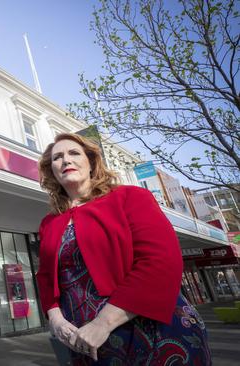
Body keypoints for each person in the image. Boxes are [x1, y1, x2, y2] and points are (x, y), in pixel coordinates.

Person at [36, 133, 211, 365]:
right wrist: (56, 320)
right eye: (57, 157)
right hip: (86, 344)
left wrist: (103, 323)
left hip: (153, 333)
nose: (66, 160)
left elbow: (159, 261)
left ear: (91, 162)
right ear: (52, 171)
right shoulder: (50, 222)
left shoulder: (130, 197)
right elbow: (46, 278)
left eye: (74, 153)